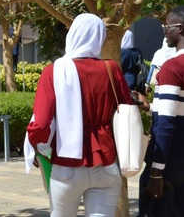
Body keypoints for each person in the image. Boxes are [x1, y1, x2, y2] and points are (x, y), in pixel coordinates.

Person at [25, 13, 131, 217]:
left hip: (66, 165)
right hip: (105, 162)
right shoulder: (111, 69)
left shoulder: (53, 71)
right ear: (99, 37)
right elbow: (126, 110)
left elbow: (40, 124)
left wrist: (38, 148)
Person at [138, 5, 184, 217]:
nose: (164, 30)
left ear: (181, 29)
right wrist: (151, 107)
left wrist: (156, 171)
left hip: (168, 160)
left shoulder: (172, 67)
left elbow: (168, 123)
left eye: (167, 26)